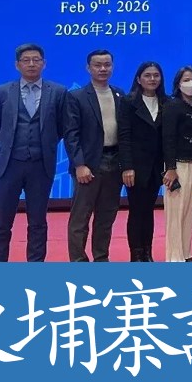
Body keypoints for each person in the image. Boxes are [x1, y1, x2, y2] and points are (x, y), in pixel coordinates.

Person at [0, 43, 68, 262]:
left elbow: (61, 127)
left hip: (41, 166)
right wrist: (10, 147)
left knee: (38, 222)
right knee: (2, 222)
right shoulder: (1, 91)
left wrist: (43, 146)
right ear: (17, 65)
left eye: (36, 60)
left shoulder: (58, 92)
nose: (31, 64)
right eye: (26, 60)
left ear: (44, 63)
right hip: (8, 165)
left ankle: (35, 266)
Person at [65, 49, 126, 262]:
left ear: (112, 67)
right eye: (97, 65)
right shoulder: (77, 96)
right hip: (89, 164)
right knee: (80, 218)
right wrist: (79, 165)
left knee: (106, 217)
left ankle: (101, 258)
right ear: (88, 68)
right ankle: (79, 261)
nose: (103, 69)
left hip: (114, 162)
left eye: (107, 65)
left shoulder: (119, 94)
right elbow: (71, 135)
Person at [118, 61, 167, 262]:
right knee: (137, 210)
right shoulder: (128, 102)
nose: (152, 79)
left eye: (156, 75)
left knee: (149, 210)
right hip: (136, 167)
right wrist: (127, 166)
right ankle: (136, 253)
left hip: (156, 167)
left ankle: (147, 252)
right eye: (147, 75)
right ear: (139, 79)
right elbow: (124, 135)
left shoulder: (166, 102)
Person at [160, 66, 192, 262]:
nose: (191, 84)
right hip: (178, 166)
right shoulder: (172, 106)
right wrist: (170, 168)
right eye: (186, 80)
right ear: (178, 84)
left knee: (190, 210)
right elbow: (168, 138)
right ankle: (174, 256)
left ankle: (186, 253)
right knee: (176, 212)